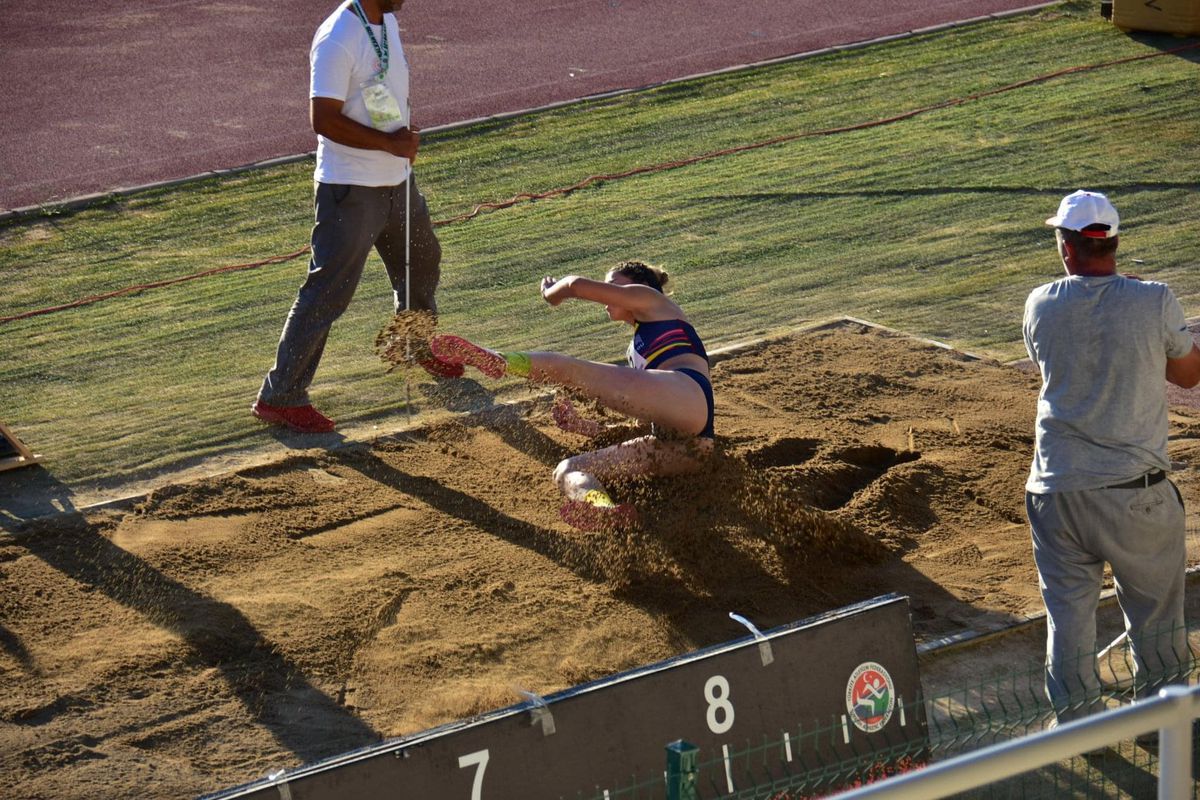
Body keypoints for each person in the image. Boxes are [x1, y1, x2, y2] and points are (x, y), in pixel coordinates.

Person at [1023, 190, 1200, 724]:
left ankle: (1076, 729)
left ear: (1067, 247)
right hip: (1136, 496)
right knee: (1157, 621)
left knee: (1068, 620)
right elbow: (1188, 375)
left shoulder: (1041, 304)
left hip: (1057, 492)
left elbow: (1055, 364)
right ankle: (1161, 728)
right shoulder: (1155, 301)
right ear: (1114, 244)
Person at [252, 0, 461, 434]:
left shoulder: (386, 22)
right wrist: (389, 145)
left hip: (397, 181)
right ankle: (281, 395)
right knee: (328, 291)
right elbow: (323, 119)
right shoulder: (337, 37)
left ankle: (414, 342)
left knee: (422, 260)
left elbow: (381, 88)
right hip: (350, 190)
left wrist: (400, 135)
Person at [430, 261, 715, 531]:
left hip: (688, 391)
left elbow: (575, 285)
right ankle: (604, 510)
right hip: (691, 450)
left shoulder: (654, 301)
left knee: (569, 369)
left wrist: (550, 293)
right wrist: (582, 427)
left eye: (614, 285)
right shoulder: (636, 351)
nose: (607, 294)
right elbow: (646, 424)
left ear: (638, 286)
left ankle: (499, 360)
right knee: (568, 469)